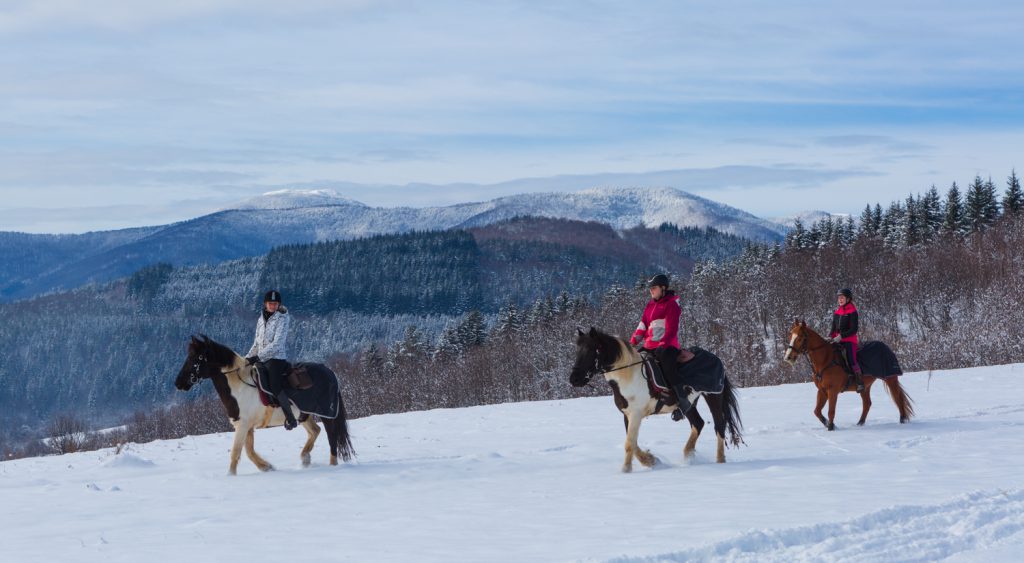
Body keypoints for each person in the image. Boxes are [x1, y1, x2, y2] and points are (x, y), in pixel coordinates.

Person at [629, 274, 691, 420]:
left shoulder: (672, 304)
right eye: (650, 288)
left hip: (668, 346)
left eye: (654, 288)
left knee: (668, 368)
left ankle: (683, 402)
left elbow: (671, 329)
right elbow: (642, 325)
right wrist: (633, 342)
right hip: (650, 345)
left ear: (663, 288)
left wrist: (663, 345)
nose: (651, 291)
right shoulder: (650, 305)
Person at [246, 290, 297, 429]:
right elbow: (257, 343)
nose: (272, 306)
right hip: (262, 358)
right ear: (265, 304)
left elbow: (277, 344)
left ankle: (290, 418)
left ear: (278, 304)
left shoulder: (283, 318)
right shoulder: (260, 319)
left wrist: (258, 357)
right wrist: (247, 359)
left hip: (276, 358)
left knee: (275, 386)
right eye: (270, 303)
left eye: (275, 304)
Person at [829, 287, 864, 393]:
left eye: (842, 297)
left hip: (849, 340)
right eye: (839, 298)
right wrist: (830, 337)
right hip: (837, 340)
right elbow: (833, 328)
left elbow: (854, 329)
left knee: (851, 358)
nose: (840, 299)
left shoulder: (852, 311)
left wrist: (841, 336)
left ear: (848, 299)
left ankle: (859, 382)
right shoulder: (837, 312)